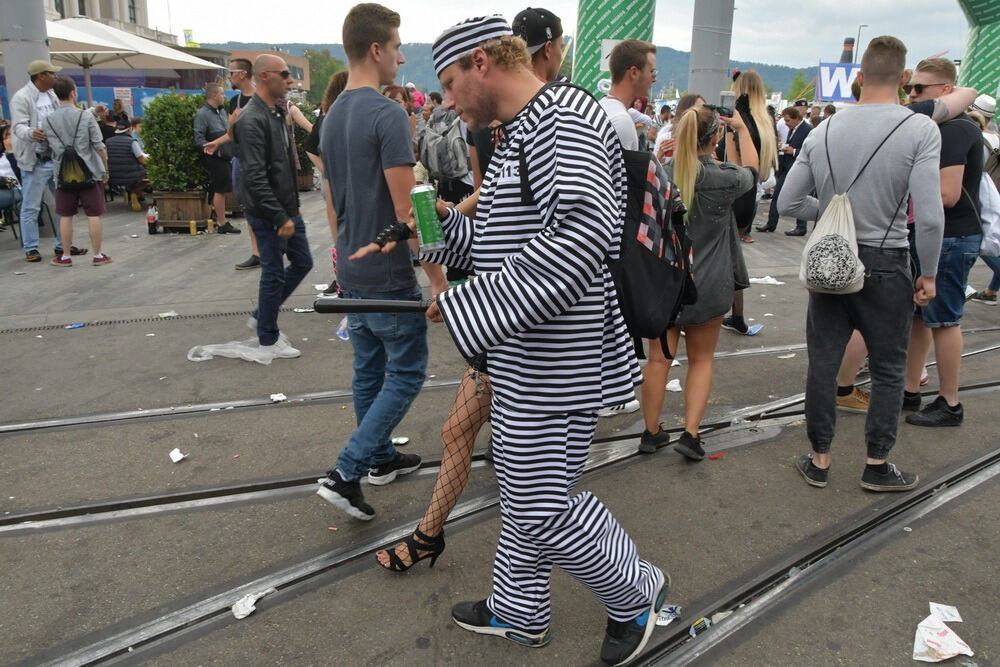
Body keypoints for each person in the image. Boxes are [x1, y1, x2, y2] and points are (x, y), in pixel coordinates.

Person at [419, 15, 667, 665]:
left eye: (448, 84)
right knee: (532, 491)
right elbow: (516, 243)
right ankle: (519, 607)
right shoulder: (530, 126)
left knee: (538, 502)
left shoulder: (560, 122)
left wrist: (468, 301)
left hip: (557, 357)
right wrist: (435, 232)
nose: (447, 101)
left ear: (481, 63)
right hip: (539, 351)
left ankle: (637, 593)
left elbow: (583, 238)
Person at [779, 35, 944, 491]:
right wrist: (927, 272)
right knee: (890, 368)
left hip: (831, 261)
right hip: (888, 263)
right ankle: (875, 464)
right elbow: (929, 217)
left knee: (823, 362)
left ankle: (819, 459)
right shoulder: (918, 130)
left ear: (858, 77)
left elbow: (790, 201)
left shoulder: (824, 129)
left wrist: (834, 209)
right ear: (904, 77)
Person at [316, 3, 447, 521]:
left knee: (369, 369)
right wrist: (437, 278)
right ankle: (346, 471)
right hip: (388, 271)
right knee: (408, 372)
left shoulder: (331, 118)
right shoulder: (388, 113)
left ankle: (381, 458)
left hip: (352, 265)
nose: (399, 56)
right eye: (396, 47)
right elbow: (407, 207)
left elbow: (333, 203)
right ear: (376, 49)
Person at [646, 106, 759, 459]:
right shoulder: (723, 178)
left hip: (665, 285)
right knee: (701, 360)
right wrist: (740, 131)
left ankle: (651, 433)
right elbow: (756, 171)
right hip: (708, 284)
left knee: (658, 361)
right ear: (715, 139)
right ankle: (690, 434)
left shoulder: (663, 173)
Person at [903, 58, 984, 427]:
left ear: (945, 91)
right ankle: (909, 390)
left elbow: (947, 194)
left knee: (944, 321)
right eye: (910, 88)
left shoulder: (954, 130)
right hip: (941, 234)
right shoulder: (946, 126)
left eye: (920, 89)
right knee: (922, 318)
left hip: (951, 235)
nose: (913, 96)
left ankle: (949, 402)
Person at [232, 55, 314, 361]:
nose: (290, 80)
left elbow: (281, 166)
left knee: (302, 262)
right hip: (269, 211)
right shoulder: (252, 118)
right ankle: (267, 336)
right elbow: (254, 175)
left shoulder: (274, 112)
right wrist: (280, 215)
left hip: (284, 207)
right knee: (274, 271)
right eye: (285, 75)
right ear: (265, 76)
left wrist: (292, 207)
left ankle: (262, 315)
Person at [721, 69, 777, 334]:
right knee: (734, 259)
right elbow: (761, 171)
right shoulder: (765, 122)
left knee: (718, 257)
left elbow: (734, 167)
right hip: (749, 197)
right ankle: (737, 316)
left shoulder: (738, 121)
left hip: (732, 193)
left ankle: (709, 312)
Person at [10, 59, 80, 262]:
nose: (55, 77)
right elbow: (18, 127)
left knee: (63, 204)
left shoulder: (52, 95)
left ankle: (62, 244)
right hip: (35, 159)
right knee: (31, 206)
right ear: (41, 76)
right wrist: (33, 133)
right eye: (52, 73)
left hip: (56, 158)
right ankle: (31, 248)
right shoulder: (22, 98)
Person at [43, 76, 111, 266]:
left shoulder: (47, 120)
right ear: (73, 93)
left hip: (62, 174)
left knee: (65, 215)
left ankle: (65, 256)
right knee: (93, 214)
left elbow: (43, 149)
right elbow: (99, 146)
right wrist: (105, 170)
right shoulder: (85, 116)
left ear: (56, 95)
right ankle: (98, 255)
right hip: (89, 171)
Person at [228, 57, 261, 269]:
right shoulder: (234, 101)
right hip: (240, 159)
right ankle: (256, 252)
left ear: (242, 74)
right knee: (248, 207)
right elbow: (231, 134)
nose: (229, 76)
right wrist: (232, 124)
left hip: (259, 161)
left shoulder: (261, 98)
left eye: (231, 72)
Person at [194, 82, 241, 234]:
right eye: (221, 93)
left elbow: (228, 132)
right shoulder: (202, 114)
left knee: (224, 188)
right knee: (220, 189)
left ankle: (222, 219)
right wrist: (215, 151)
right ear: (214, 95)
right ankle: (221, 222)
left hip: (227, 155)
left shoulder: (221, 111)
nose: (224, 96)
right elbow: (198, 139)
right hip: (215, 157)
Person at [599, 39, 657, 152]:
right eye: (652, 72)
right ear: (634, 72)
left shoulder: (601, 106)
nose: (654, 79)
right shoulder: (622, 121)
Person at [761, 106, 811, 235]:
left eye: (788, 121)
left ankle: (801, 226)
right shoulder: (793, 129)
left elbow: (810, 151)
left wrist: (793, 151)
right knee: (777, 195)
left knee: (799, 196)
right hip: (786, 166)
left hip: (798, 168)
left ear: (797, 119)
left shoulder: (807, 130)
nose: (786, 124)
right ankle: (771, 223)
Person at [106, 120, 148, 211]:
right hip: (132, 175)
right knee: (149, 176)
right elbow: (141, 159)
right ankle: (134, 193)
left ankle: (136, 194)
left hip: (113, 176)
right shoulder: (132, 142)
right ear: (129, 129)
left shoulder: (108, 142)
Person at [1, 123, 24, 228]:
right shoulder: (2, 156)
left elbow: (17, 179)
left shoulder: (18, 156)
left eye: (11, 135)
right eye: (7, 136)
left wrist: (5, 181)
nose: (9, 138)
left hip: (16, 190)